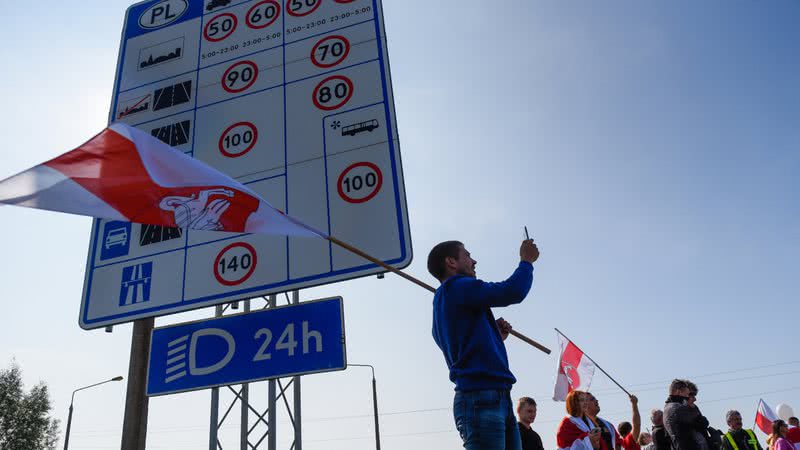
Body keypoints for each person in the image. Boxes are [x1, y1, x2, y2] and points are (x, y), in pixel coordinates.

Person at [429, 239, 540, 450]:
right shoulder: (458, 286)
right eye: (468, 255)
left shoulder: (444, 300)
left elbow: (456, 343)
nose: (474, 260)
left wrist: (492, 334)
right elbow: (511, 291)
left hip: (492, 396)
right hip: (481, 398)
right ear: (451, 262)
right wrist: (526, 261)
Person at [664, 379, 710, 450]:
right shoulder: (677, 409)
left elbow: (703, 426)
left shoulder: (692, 408)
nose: (695, 399)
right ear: (680, 392)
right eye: (691, 395)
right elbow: (701, 423)